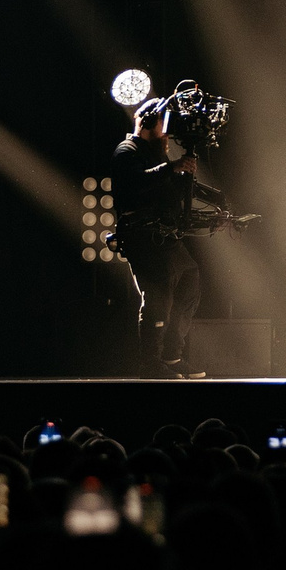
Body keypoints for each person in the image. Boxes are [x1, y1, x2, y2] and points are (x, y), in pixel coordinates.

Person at [109, 97, 206, 376]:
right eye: (163, 125)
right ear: (150, 122)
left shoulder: (155, 152)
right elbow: (137, 183)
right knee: (158, 296)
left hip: (163, 236)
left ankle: (172, 356)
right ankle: (150, 363)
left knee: (189, 281)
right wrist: (171, 167)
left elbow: (168, 186)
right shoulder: (126, 151)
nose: (167, 132)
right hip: (141, 237)